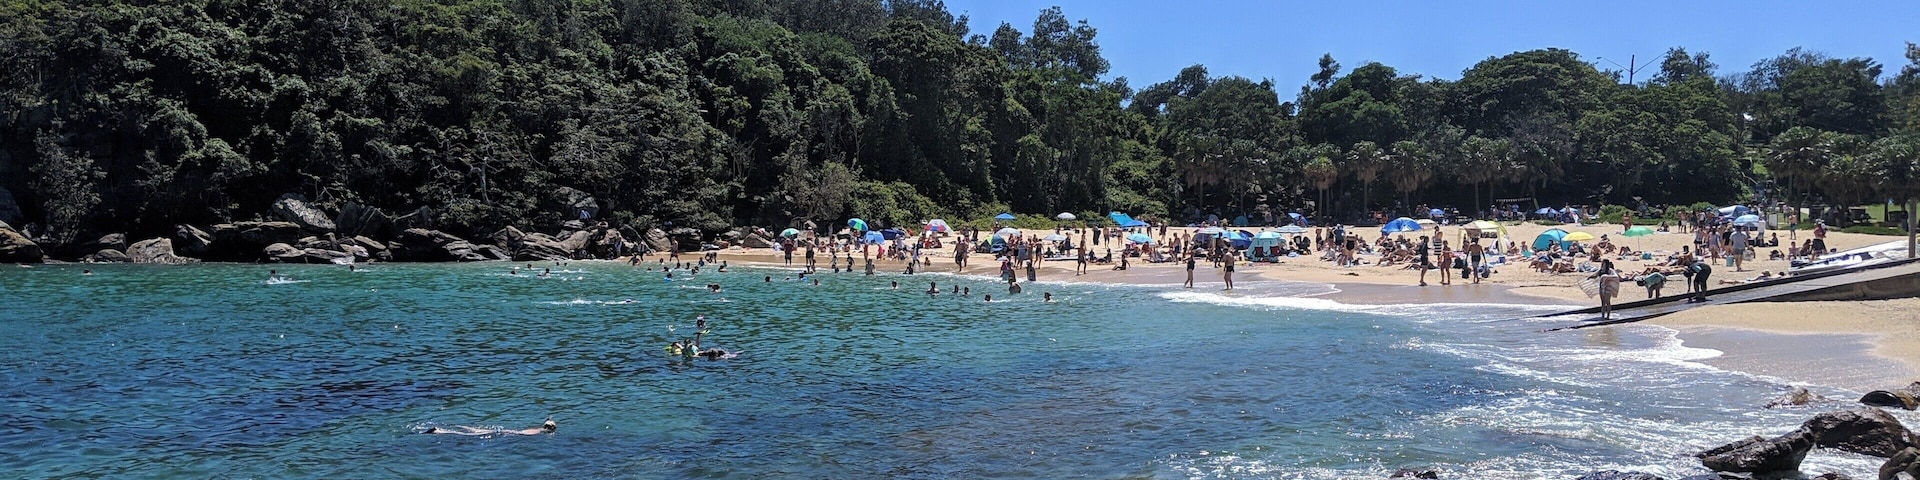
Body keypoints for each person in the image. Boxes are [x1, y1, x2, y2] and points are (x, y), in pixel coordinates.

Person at [424, 419, 557, 436]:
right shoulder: (537, 432)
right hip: (504, 432)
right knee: (472, 433)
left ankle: (452, 426)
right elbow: (521, 434)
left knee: (474, 430)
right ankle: (440, 431)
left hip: (505, 430)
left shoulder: (537, 428)